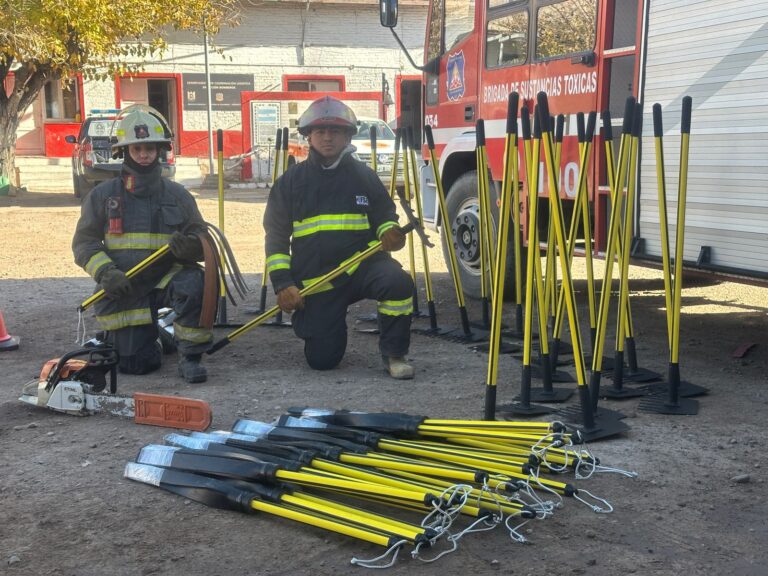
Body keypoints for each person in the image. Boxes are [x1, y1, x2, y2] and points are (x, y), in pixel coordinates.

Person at [263, 96, 415, 379]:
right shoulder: (290, 183)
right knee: (322, 361)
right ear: (308, 136)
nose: (327, 138)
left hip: (363, 266)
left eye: (335, 131)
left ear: (347, 136)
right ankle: (317, 323)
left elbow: (384, 214)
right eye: (320, 131)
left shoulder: (364, 176)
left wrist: (390, 233)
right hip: (318, 278)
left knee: (397, 282)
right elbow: (276, 238)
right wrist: (283, 284)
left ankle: (395, 354)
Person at [72, 106, 212, 383]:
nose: (144, 154)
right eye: (137, 149)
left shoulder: (178, 195)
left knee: (194, 281)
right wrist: (106, 273)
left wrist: (192, 248)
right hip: (124, 282)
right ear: (124, 152)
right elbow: (84, 242)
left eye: (150, 148)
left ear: (159, 150)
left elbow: (201, 236)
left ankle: (190, 357)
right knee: (138, 364)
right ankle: (158, 338)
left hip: (166, 277)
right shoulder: (102, 195)